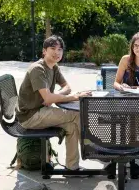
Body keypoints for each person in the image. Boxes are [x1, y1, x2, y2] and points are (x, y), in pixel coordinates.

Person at [15, 35, 91, 172]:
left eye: (60, 49)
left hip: (40, 110)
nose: (57, 52)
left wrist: (54, 97)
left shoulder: (54, 67)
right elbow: (52, 98)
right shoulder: (38, 69)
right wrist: (75, 97)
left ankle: (72, 168)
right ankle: (91, 149)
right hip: (30, 116)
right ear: (44, 51)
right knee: (76, 115)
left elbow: (67, 87)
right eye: (52, 48)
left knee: (71, 126)